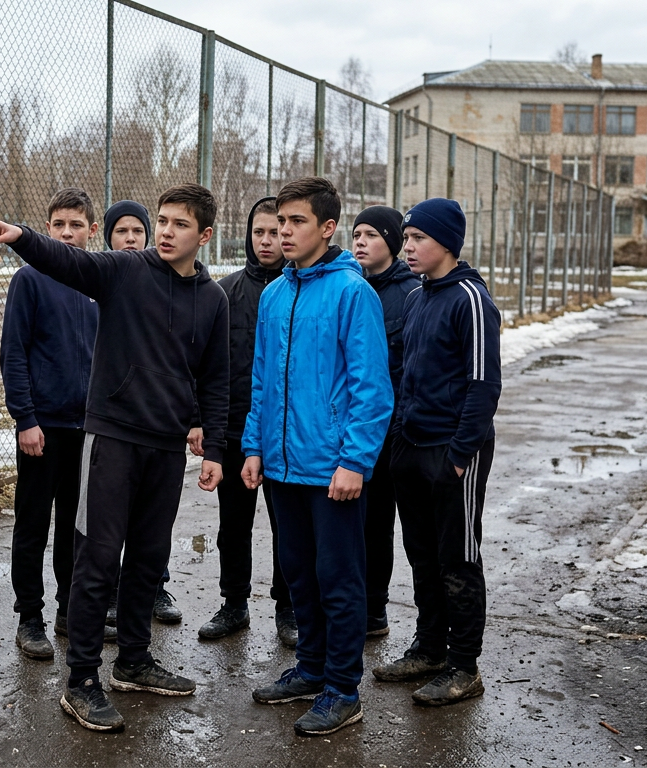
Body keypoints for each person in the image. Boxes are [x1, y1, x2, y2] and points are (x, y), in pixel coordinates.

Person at [0, 184, 229, 733]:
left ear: (205, 235)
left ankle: (134, 661)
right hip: (112, 439)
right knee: (97, 557)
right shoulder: (125, 270)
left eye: (180, 224)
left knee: (147, 558)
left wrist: (215, 446)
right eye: (163, 220)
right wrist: (21, 237)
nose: (166, 232)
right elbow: (66, 260)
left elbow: (215, 378)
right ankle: (82, 680)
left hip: (166, 448)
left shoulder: (213, 299)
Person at [243, 177, 393, 736]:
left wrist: (354, 461)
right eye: (280, 221)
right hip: (282, 465)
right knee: (299, 575)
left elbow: (372, 389)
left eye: (296, 222)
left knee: (338, 579)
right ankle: (310, 669)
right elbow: (262, 381)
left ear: (328, 228)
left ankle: (343, 689)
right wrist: (254, 446)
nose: (284, 232)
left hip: (332, 469)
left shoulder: (353, 293)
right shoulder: (274, 295)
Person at [370, 198, 501, 708]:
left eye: (417, 238)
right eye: (406, 238)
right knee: (422, 555)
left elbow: (483, 385)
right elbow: (405, 374)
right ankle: (429, 649)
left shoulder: (471, 299)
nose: (407, 247)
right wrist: (399, 437)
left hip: (453, 453)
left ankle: (464, 667)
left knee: (458, 558)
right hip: (411, 447)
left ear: (446, 242)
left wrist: (460, 454)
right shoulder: (419, 297)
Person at [1, 188, 109, 661]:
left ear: (92, 230)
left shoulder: (100, 281)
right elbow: (14, 354)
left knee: (74, 523)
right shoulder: (30, 280)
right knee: (33, 521)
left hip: (87, 427)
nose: (67, 233)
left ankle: (70, 611)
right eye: (59, 224)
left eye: (76, 225)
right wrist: (26, 418)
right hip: (42, 427)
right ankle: (30, 616)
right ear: (47, 228)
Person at [197, 196, 296, 647]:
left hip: (286, 435)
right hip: (236, 430)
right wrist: (204, 424)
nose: (267, 240)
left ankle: (288, 608)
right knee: (233, 525)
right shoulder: (225, 293)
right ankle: (234, 603)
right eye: (259, 232)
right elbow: (206, 366)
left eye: (276, 232)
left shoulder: (299, 292)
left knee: (287, 527)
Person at [100, 200, 184, 626]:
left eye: (138, 231)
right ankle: (109, 592)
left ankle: (154, 587)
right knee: (105, 522)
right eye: (121, 231)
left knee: (151, 523)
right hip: (111, 423)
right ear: (107, 237)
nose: (131, 238)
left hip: (158, 426)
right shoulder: (106, 278)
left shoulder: (176, 286)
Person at [351, 206, 419, 640]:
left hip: (392, 432)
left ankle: (374, 610)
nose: (361, 242)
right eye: (357, 234)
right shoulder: (349, 286)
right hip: (353, 428)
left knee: (378, 523)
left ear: (392, 243)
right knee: (350, 523)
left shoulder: (410, 293)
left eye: (371, 235)